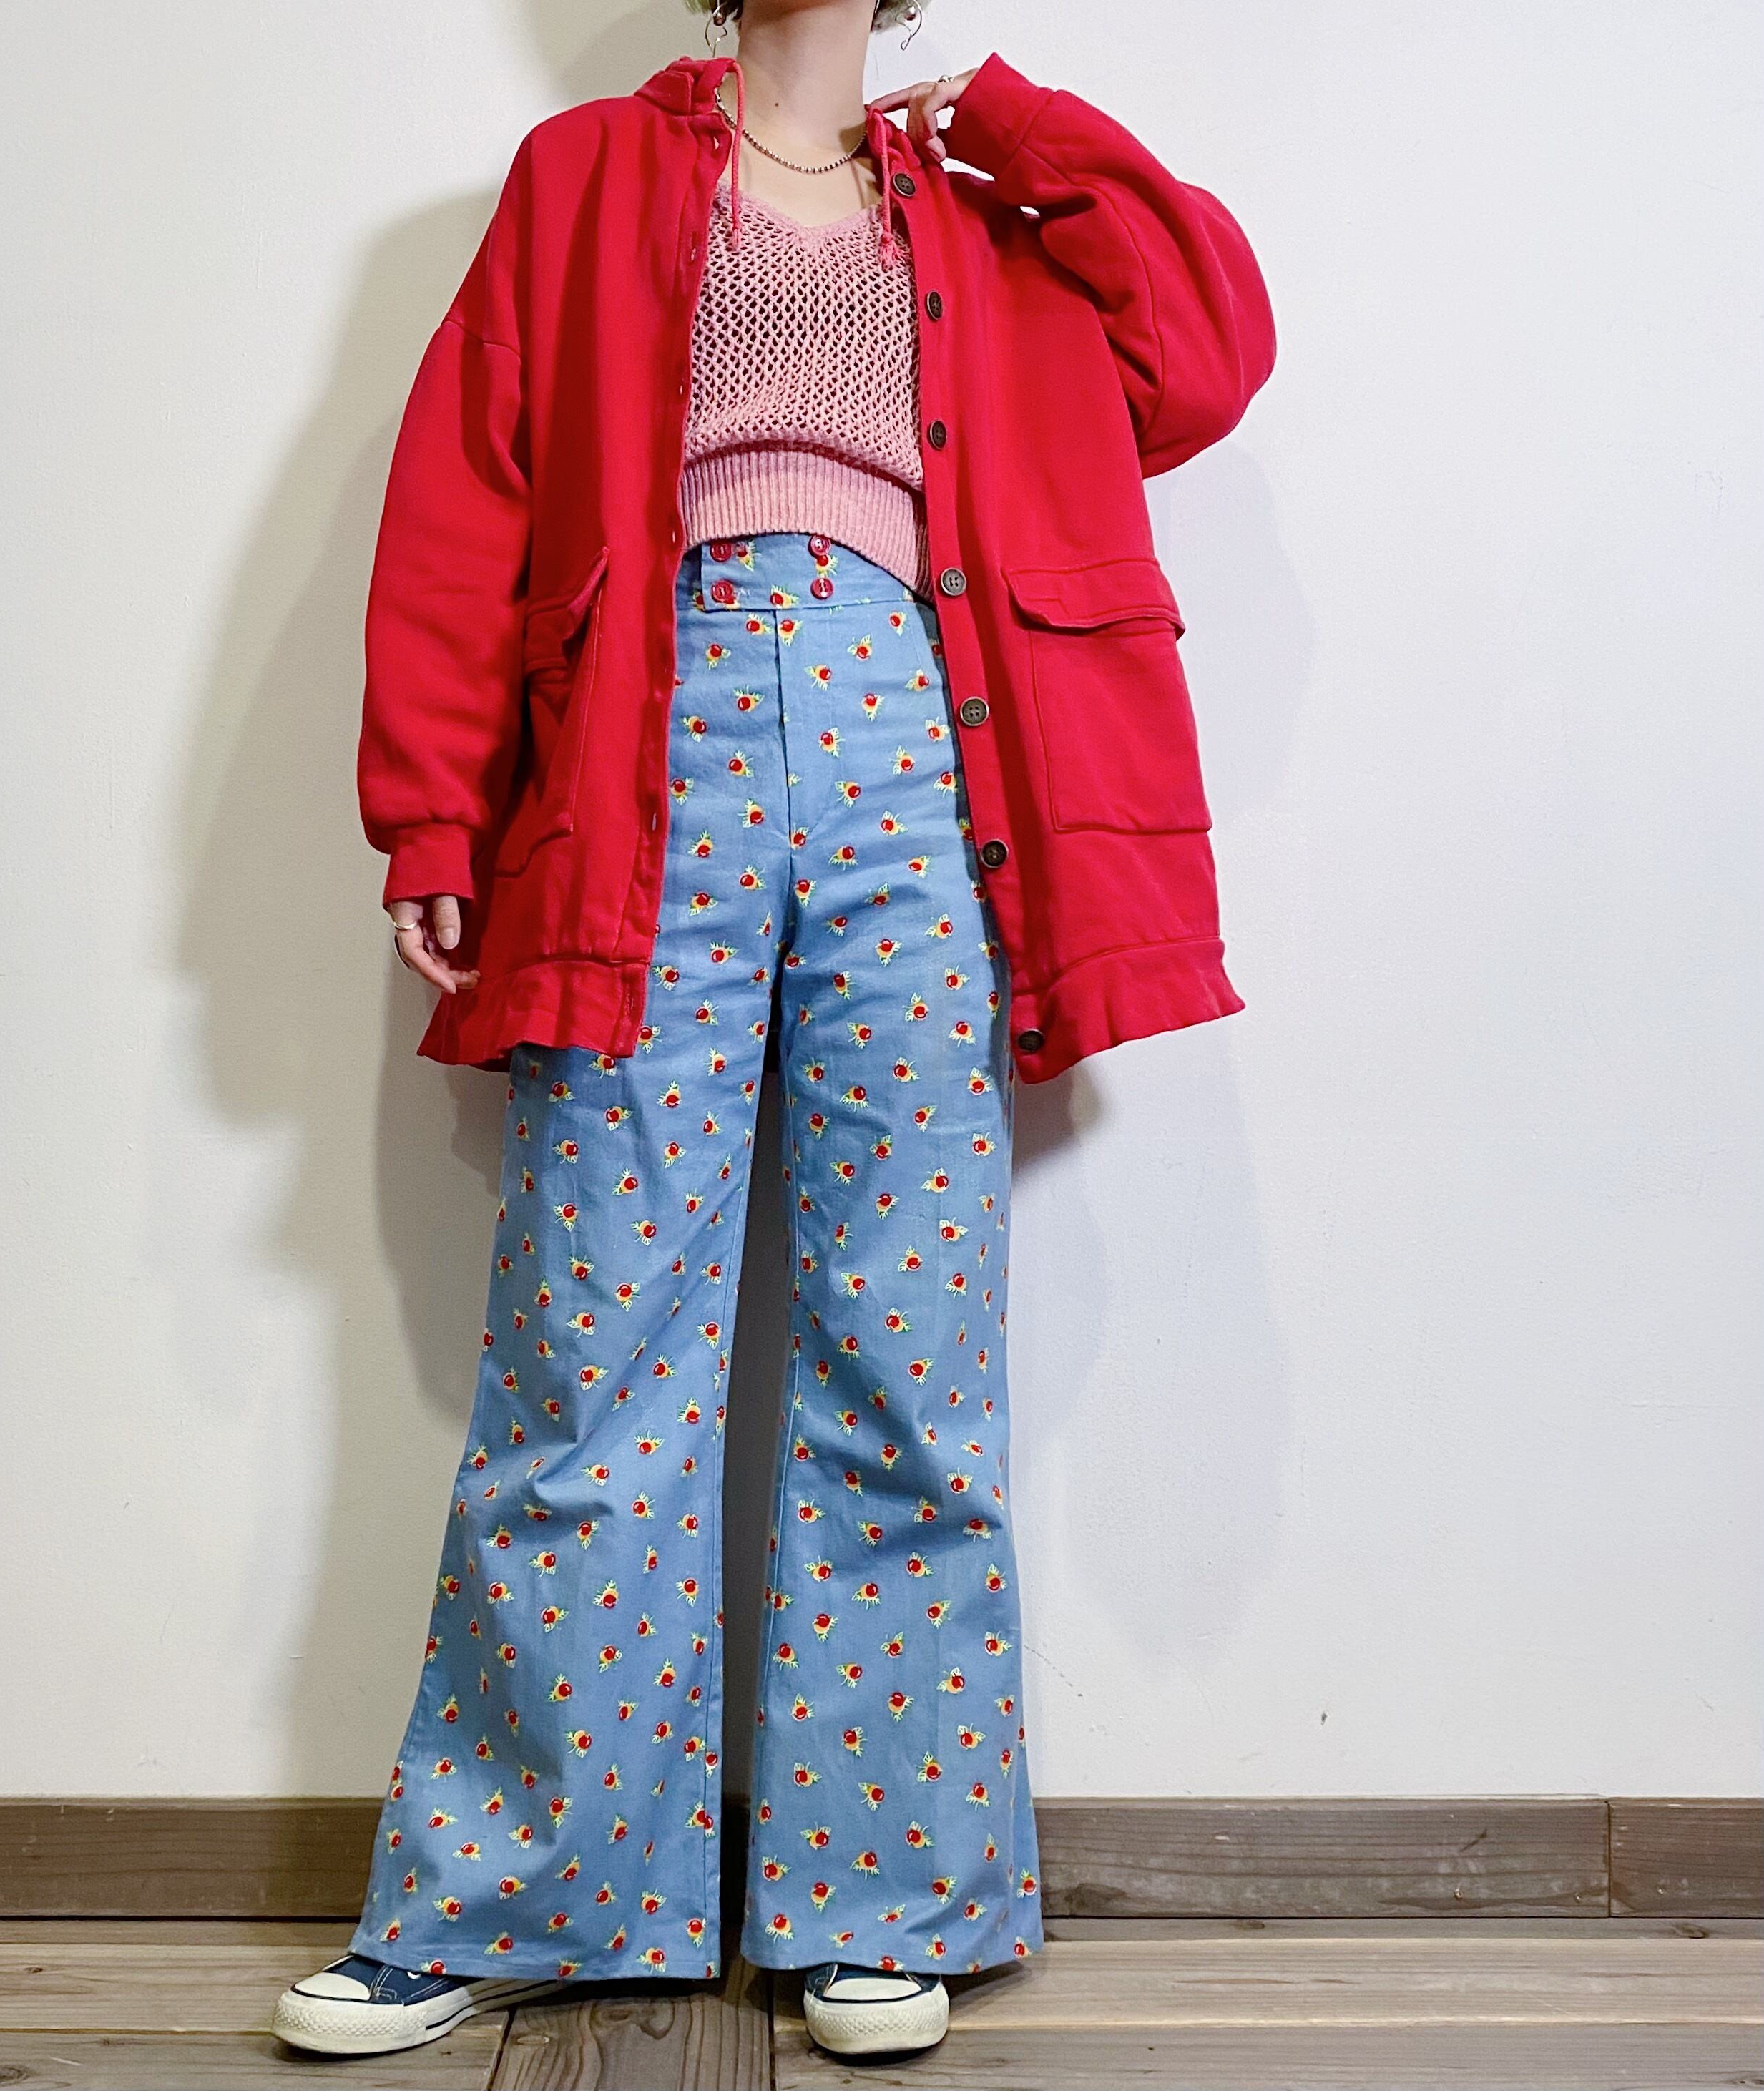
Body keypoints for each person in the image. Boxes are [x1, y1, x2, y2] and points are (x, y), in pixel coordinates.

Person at [274, 0, 1273, 2061]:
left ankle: (881, 1895)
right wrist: (433, 806)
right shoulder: (586, 177)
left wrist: (1025, 130)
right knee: (591, 1342)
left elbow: (1203, 353)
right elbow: (469, 489)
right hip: (650, 758)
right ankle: (523, 1890)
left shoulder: (983, 202)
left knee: (907, 1344)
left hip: (928, 762)